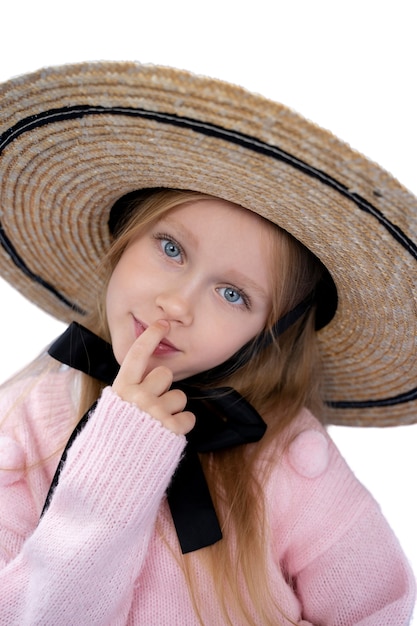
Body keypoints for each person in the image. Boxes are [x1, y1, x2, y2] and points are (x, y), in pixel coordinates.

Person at [0, 62, 415, 626]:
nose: (178, 305)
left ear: (267, 334)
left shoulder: (287, 457)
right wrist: (118, 458)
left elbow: (380, 610)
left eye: (232, 294)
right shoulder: (25, 425)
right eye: (170, 248)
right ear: (124, 239)